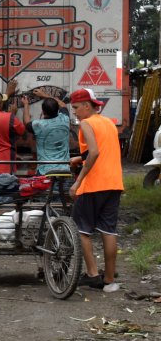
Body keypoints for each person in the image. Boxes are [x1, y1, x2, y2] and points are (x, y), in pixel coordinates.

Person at [66, 88, 124, 292]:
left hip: (94, 184)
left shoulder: (86, 123)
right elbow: (101, 150)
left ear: (86, 106)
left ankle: (92, 274)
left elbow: (95, 152)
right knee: (108, 231)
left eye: (75, 107)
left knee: (80, 230)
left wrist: (78, 182)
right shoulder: (108, 122)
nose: (74, 112)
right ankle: (109, 280)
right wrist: (79, 158)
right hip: (114, 183)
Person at [25, 89, 73, 193]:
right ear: (57, 110)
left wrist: (26, 105)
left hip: (45, 171)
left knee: (44, 198)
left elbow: (27, 122)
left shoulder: (38, 125)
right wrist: (45, 95)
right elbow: (62, 104)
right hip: (64, 170)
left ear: (43, 112)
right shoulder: (65, 119)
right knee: (62, 199)